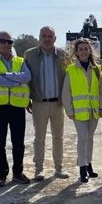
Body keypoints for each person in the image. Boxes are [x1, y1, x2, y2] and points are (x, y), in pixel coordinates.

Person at [0, 31, 32, 187]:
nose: (6, 44)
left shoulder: (20, 60)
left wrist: (5, 75)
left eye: (9, 41)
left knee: (18, 143)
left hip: (17, 108)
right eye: (3, 41)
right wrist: (15, 81)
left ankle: (18, 172)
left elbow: (27, 77)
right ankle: (2, 174)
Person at [24, 26, 70, 180]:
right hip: (39, 103)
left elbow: (69, 80)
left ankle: (59, 168)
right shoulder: (30, 55)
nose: (47, 39)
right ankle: (39, 169)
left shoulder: (63, 55)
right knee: (39, 138)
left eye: (50, 36)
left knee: (58, 137)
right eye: (44, 36)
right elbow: (26, 79)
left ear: (55, 39)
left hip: (58, 104)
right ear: (39, 38)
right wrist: (27, 100)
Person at [62, 38, 102, 183]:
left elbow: (101, 90)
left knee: (90, 138)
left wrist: (101, 106)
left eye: (86, 49)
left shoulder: (96, 69)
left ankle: (89, 165)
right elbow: (66, 92)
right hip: (78, 112)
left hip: (93, 110)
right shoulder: (71, 70)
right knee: (82, 138)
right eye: (80, 49)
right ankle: (82, 168)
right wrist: (69, 110)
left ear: (90, 51)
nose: (83, 51)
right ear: (76, 52)